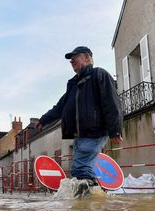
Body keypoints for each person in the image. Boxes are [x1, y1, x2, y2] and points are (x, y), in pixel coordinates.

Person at [35, 46, 123, 195]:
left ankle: (86, 203)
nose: (71, 61)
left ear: (87, 58)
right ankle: (94, 199)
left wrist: (115, 129)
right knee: (82, 169)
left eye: (75, 57)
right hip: (80, 135)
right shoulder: (74, 84)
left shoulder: (99, 74)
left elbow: (111, 102)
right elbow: (61, 106)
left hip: (95, 131)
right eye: (71, 60)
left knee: (80, 168)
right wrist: (44, 119)